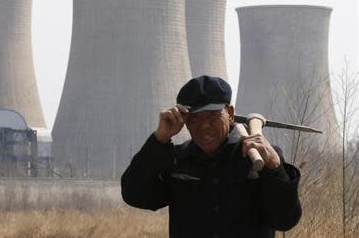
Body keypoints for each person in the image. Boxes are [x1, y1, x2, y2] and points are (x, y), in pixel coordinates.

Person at [121, 75, 302, 238]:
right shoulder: (177, 160)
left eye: (213, 116)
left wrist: (276, 169)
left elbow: (285, 220)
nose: (204, 126)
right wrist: (159, 139)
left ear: (230, 114)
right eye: (194, 118)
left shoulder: (259, 158)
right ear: (184, 121)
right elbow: (135, 195)